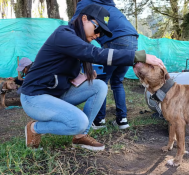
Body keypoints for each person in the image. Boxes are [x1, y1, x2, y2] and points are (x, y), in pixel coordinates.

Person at [21, 4, 164, 151]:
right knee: (79, 122)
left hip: (56, 94)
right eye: (97, 28)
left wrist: (80, 76)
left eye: (101, 33)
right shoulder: (64, 34)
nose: (98, 35)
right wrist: (139, 56)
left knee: (99, 86)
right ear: (84, 19)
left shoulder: (79, 41)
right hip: (34, 97)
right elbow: (96, 54)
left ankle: (80, 136)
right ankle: (35, 128)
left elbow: (62, 71)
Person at [71, 0, 139, 130]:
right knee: (117, 81)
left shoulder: (85, 2)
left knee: (101, 80)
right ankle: (122, 120)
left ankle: (99, 120)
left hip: (116, 39)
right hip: (133, 39)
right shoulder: (110, 6)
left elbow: (74, 25)